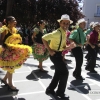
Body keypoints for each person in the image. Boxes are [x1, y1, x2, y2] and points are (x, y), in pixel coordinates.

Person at [42, 14, 75, 99]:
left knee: (58, 73)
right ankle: (60, 93)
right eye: (64, 23)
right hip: (54, 55)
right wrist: (49, 50)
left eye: (67, 23)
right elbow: (44, 38)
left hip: (59, 55)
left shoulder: (64, 33)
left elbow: (63, 47)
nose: (66, 25)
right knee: (65, 72)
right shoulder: (56, 33)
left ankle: (50, 89)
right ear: (60, 23)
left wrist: (70, 47)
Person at [0, 16, 32, 91]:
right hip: (7, 51)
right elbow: (1, 40)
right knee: (10, 67)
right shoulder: (4, 29)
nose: (15, 22)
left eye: (15, 20)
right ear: (8, 22)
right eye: (13, 21)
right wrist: (2, 47)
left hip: (13, 50)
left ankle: (4, 79)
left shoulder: (14, 30)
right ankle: (10, 85)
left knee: (11, 67)